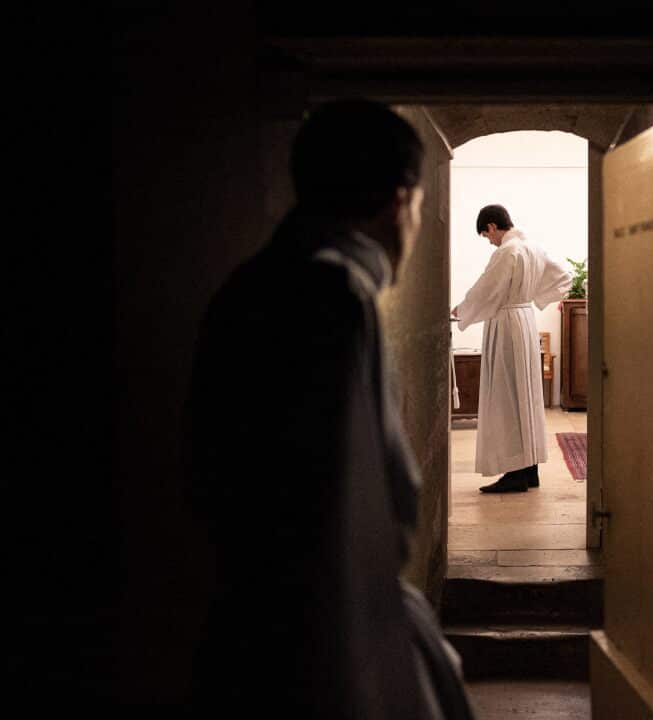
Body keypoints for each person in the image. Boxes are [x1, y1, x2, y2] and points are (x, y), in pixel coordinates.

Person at [182, 100, 472, 718]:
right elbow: (352, 514)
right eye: (420, 208)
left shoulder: (252, 284)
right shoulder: (333, 296)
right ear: (400, 201)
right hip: (321, 636)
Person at [452, 205, 571, 493]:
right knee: (525, 396)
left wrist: (462, 310)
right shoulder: (533, 248)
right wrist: (533, 297)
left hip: (506, 324)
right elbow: (564, 279)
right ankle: (529, 469)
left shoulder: (507, 252)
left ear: (492, 226)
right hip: (524, 320)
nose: (488, 241)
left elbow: (486, 289)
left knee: (506, 396)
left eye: (485, 235)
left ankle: (515, 473)